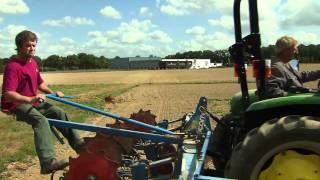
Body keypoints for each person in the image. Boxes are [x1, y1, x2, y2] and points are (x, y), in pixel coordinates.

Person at [1, 30, 84, 174]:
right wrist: (29, 99)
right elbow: (8, 94)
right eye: (28, 45)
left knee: (59, 112)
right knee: (41, 121)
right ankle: (47, 162)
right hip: (16, 104)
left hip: (33, 102)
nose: (32, 48)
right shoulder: (12, 67)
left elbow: (40, 84)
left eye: (34, 45)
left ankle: (81, 147)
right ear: (19, 46)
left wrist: (53, 93)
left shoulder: (33, 63)